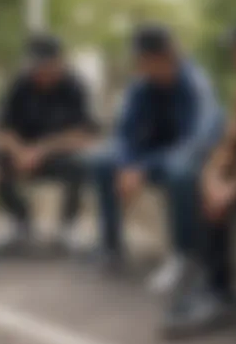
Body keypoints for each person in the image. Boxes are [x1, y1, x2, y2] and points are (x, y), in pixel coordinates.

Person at [92, 24, 223, 288]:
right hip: (153, 159)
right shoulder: (141, 87)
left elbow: (196, 142)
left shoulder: (195, 83)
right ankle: (111, 248)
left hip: (192, 158)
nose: (139, 65)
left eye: (144, 59)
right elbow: (124, 133)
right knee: (102, 162)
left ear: (163, 56)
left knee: (180, 170)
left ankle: (184, 256)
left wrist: (142, 167)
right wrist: (128, 164)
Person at [0, 34, 98, 256]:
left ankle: (68, 227)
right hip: (22, 154)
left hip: (57, 155)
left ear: (59, 62)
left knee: (80, 164)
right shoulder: (21, 84)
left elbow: (84, 135)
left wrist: (42, 149)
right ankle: (21, 223)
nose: (41, 71)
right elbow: (2, 128)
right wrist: (19, 151)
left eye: (47, 65)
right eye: (36, 65)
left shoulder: (74, 86)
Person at [195, 12, 236, 337]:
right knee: (209, 194)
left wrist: (233, 185)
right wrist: (213, 178)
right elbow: (231, 145)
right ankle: (218, 291)